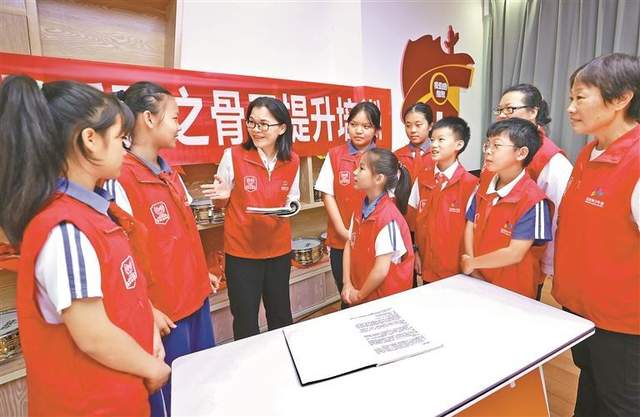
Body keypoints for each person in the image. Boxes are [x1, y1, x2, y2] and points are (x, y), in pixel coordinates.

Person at [0, 75, 170, 415]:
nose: (124, 149)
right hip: (94, 404)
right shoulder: (65, 228)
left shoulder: (92, 209)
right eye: (120, 138)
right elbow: (92, 334)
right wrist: (152, 367)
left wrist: (147, 326)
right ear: (90, 140)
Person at [106, 81, 216, 416]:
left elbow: (183, 236)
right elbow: (119, 255)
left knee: (203, 385)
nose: (179, 125)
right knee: (174, 398)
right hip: (165, 314)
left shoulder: (170, 172)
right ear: (149, 119)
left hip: (196, 299)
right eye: (175, 117)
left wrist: (202, 274)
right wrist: (147, 308)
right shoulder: (120, 178)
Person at [553, 53, 640, 417]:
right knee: (590, 388)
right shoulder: (589, 152)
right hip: (584, 311)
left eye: (580, 97)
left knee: (621, 403)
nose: (571, 108)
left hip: (622, 324)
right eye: (570, 98)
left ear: (622, 98)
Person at [201, 96, 300, 340]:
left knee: (281, 314)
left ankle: (282, 358)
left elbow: (293, 198)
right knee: (245, 318)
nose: (256, 129)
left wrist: (291, 208)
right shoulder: (233, 155)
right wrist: (222, 197)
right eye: (252, 123)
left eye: (264, 124)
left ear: (282, 128)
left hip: (278, 250)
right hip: (242, 252)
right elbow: (218, 202)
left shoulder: (292, 160)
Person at [493, 83, 573, 300]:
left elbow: (558, 219)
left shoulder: (553, 161)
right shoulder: (497, 149)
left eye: (510, 109)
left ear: (533, 112)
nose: (502, 115)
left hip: (524, 261)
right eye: (500, 109)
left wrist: (547, 267)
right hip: (491, 253)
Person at [461, 118, 552, 298]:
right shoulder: (484, 184)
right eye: (487, 144)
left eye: (497, 145)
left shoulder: (533, 199)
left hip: (513, 288)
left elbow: (515, 253)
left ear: (521, 153)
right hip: (477, 278)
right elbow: (470, 223)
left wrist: (473, 263)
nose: (488, 151)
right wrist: (473, 267)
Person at [314, 102, 379, 307]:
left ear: (376, 130)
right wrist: (343, 231)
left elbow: (387, 200)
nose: (358, 130)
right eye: (354, 124)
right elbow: (327, 194)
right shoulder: (335, 154)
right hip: (340, 240)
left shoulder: (383, 157)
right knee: (347, 294)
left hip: (372, 241)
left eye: (366, 126)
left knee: (372, 295)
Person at [408, 117, 478, 283]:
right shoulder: (422, 179)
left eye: (441, 140)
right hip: (426, 265)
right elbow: (412, 220)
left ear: (458, 145)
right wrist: (415, 250)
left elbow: (473, 232)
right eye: (432, 140)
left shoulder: (471, 185)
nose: (434, 145)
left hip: (457, 271)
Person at [341, 148, 414, 305]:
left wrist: (359, 295)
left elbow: (381, 270)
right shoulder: (360, 206)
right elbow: (349, 244)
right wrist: (347, 283)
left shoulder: (388, 217)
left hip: (383, 298)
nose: (354, 172)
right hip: (362, 291)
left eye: (361, 168)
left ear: (379, 178)